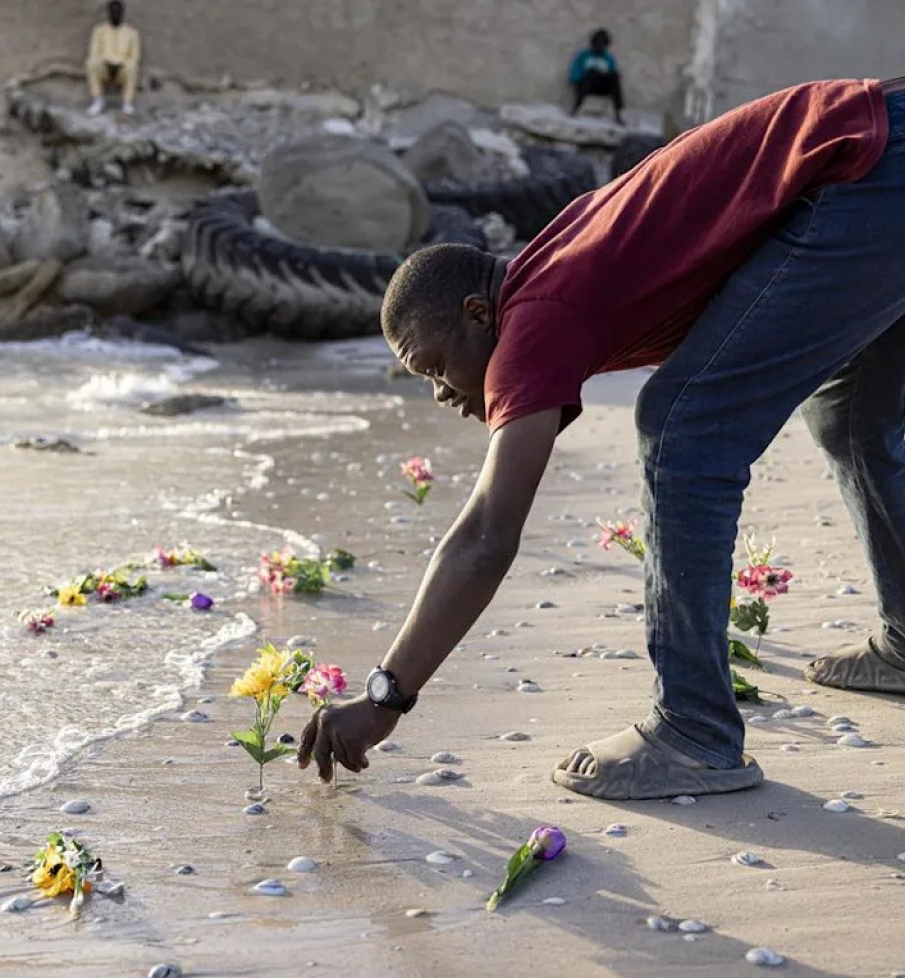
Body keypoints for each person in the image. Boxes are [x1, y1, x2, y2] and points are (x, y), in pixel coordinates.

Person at [298, 76, 905, 801]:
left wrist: (385, 696)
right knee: (849, 411)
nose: (441, 392)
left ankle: (693, 733)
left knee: (681, 428)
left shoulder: (533, 320)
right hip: (878, 152)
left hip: (867, 167)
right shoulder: (546, 271)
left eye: (434, 367)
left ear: (476, 314)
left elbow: (488, 534)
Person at [86, 0, 141, 117]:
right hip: (105, 67)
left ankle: (127, 103)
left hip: (122, 69)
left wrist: (121, 64)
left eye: (118, 12)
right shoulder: (99, 31)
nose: (115, 14)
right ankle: (98, 100)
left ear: (122, 13)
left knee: (132, 66)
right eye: (113, 12)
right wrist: (106, 63)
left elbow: (134, 56)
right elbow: (94, 52)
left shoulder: (132, 33)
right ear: (108, 13)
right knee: (91, 63)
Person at [569, 28, 623, 123]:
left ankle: (618, 113)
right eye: (597, 44)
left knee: (615, 76)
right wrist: (579, 80)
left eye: (602, 45)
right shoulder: (584, 56)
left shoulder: (609, 59)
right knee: (591, 73)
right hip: (586, 85)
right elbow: (575, 73)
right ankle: (576, 108)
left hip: (601, 87)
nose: (599, 47)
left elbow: (611, 74)